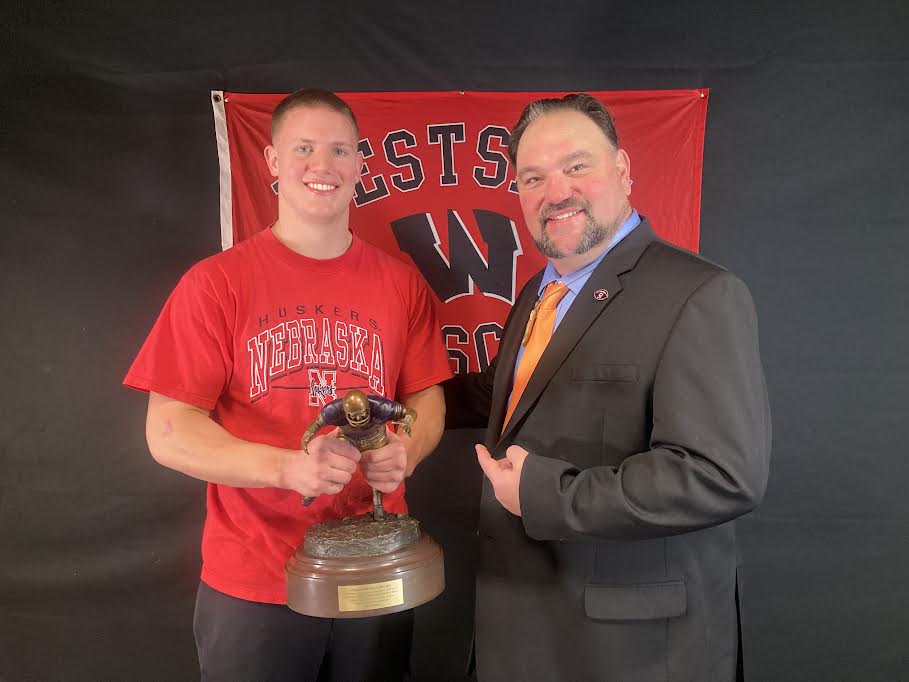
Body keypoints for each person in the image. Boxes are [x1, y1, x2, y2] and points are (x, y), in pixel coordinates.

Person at [124, 89, 451, 681]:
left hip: (376, 572)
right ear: (271, 161)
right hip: (254, 581)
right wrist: (284, 469)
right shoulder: (215, 284)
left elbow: (427, 396)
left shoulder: (400, 285)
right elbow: (168, 431)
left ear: (359, 162)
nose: (321, 166)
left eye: (338, 150)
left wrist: (409, 449)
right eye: (302, 148)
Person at [443, 93, 771, 681]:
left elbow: (721, 475)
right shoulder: (538, 293)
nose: (556, 191)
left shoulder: (699, 294)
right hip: (523, 629)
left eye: (576, 166)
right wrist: (403, 404)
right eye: (533, 177)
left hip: (628, 651)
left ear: (621, 170)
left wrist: (547, 495)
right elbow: (508, 391)